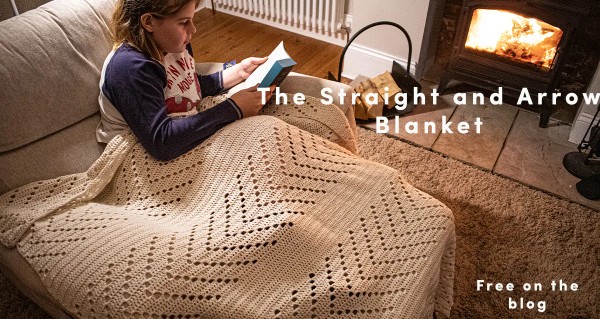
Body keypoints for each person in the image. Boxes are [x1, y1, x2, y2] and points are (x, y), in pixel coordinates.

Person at [96, 0, 274, 161]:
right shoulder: (129, 68)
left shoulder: (173, 44)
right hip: (137, 151)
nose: (193, 30)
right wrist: (233, 108)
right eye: (183, 22)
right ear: (149, 22)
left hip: (179, 131)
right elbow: (162, 143)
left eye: (192, 19)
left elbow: (188, 87)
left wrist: (239, 72)